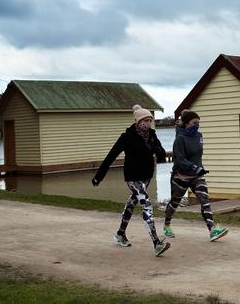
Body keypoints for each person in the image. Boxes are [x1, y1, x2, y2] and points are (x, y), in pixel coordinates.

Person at [92, 104, 170, 257]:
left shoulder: (152, 135)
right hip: (132, 177)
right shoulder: (127, 137)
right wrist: (98, 177)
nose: (148, 124)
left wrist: (157, 149)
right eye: (145, 121)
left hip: (146, 176)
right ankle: (156, 243)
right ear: (137, 122)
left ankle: (120, 234)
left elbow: (161, 155)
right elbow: (111, 156)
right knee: (146, 203)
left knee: (132, 204)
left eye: (150, 121)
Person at [163, 110, 228, 241]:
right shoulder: (179, 139)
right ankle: (167, 225)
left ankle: (213, 230)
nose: (197, 125)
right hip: (180, 176)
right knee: (175, 202)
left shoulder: (199, 136)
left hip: (197, 175)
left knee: (205, 200)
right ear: (187, 123)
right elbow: (180, 159)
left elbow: (197, 155)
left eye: (199, 123)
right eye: (194, 123)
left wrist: (199, 169)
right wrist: (194, 167)